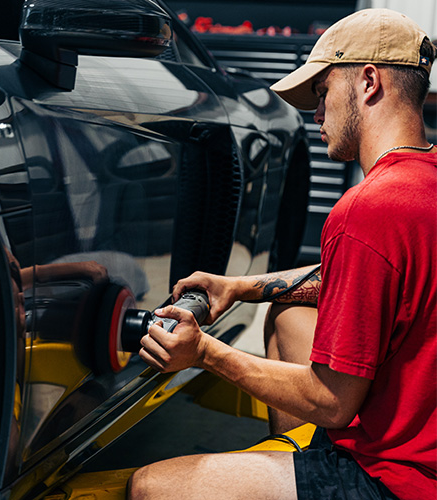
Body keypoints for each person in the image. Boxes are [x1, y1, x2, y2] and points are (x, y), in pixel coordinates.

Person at [127, 8, 437, 500]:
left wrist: (203, 352)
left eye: (322, 93)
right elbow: (358, 273)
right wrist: (239, 287)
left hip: (401, 480)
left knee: (150, 487)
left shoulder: (369, 208)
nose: (316, 114)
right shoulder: (425, 179)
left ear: (369, 82)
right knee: (288, 314)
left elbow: (331, 403)